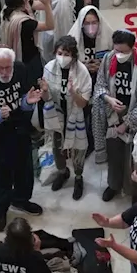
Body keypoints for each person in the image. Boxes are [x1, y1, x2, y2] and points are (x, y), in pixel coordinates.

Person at [0, 47, 43, 231]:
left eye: (7, 67)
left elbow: (24, 101)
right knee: (3, 173)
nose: (5, 73)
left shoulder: (20, 70)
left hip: (20, 129)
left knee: (25, 168)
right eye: (0, 68)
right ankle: (1, 209)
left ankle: (21, 199)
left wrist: (27, 103)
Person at [94, 30, 137, 201]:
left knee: (135, 158)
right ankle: (113, 185)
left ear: (133, 48)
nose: (118, 55)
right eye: (116, 50)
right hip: (112, 114)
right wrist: (108, 98)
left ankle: (133, 190)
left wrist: (127, 123)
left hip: (135, 116)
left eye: (123, 52)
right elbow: (100, 84)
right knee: (114, 154)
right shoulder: (108, 58)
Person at [40, 35, 91, 198]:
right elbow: (46, 97)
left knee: (77, 149)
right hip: (57, 115)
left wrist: (72, 92)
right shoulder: (49, 67)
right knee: (57, 148)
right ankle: (63, 172)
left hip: (75, 116)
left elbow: (83, 103)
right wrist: (45, 91)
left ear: (74, 55)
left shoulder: (82, 72)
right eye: (60, 53)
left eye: (67, 54)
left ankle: (78, 177)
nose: (63, 57)